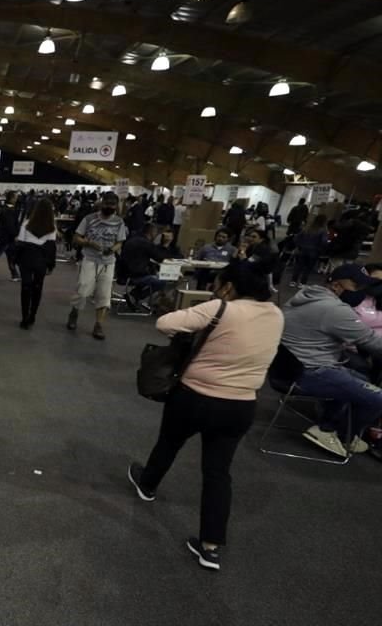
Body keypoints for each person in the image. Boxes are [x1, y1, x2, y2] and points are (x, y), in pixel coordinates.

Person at [128, 261, 283, 572]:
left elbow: (166, 324)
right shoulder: (277, 314)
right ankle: (210, 547)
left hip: (195, 396)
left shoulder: (219, 308)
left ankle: (147, 485)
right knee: (218, 472)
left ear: (229, 287)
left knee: (169, 442)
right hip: (240, 404)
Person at [280, 263, 382, 458]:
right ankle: (337, 433)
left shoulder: (308, 294)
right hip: (311, 372)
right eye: (356, 287)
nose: (360, 293)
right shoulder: (334, 309)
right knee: (378, 399)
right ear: (336, 286)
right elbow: (371, 341)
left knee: (359, 376)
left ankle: (328, 424)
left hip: (290, 367)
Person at [67, 193, 127, 340]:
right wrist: (88, 243)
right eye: (107, 204)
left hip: (108, 262)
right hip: (89, 259)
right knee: (82, 289)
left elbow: (120, 241)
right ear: (102, 203)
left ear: (116, 206)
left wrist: (112, 249)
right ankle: (74, 312)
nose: (109, 207)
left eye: (113, 205)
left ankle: (98, 325)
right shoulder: (89, 219)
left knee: (104, 295)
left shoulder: (119, 222)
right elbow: (76, 237)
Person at [16, 197, 57, 329]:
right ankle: (33, 315)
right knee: (38, 287)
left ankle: (24, 318)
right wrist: (51, 265)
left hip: (26, 259)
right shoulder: (52, 228)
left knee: (26, 287)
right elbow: (51, 247)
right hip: (42, 260)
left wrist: (14, 260)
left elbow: (20, 244)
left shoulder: (26, 224)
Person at [120, 223, 168, 305]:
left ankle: (134, 295)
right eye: (156, 233)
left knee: (150, 273)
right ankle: (135, 295)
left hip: (123, 273)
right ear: (151, 232)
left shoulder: (132, 239)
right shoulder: (146, 243)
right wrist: (165, 244)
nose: (156, 235)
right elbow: (159, 257)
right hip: (135, 275)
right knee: (162, 281)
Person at [0, 190, 22, 282]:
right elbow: (10, 225)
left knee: (8, 256)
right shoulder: (10, 210)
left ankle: (15, 274)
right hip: (5, 238)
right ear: (12, 198)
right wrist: (15, 235)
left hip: (3, 237)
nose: (17, 199)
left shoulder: (6, 209)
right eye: (15, 197)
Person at [290, 215, 328, 287]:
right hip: (314, 252)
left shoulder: (307, 228)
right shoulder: (323, 230)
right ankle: (302, 283)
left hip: (302, 250)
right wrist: (321, 249)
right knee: (308, 268)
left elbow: (296, 238)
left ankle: (293, 281)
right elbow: (324, 242)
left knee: (298, 266)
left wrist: (299, 245)